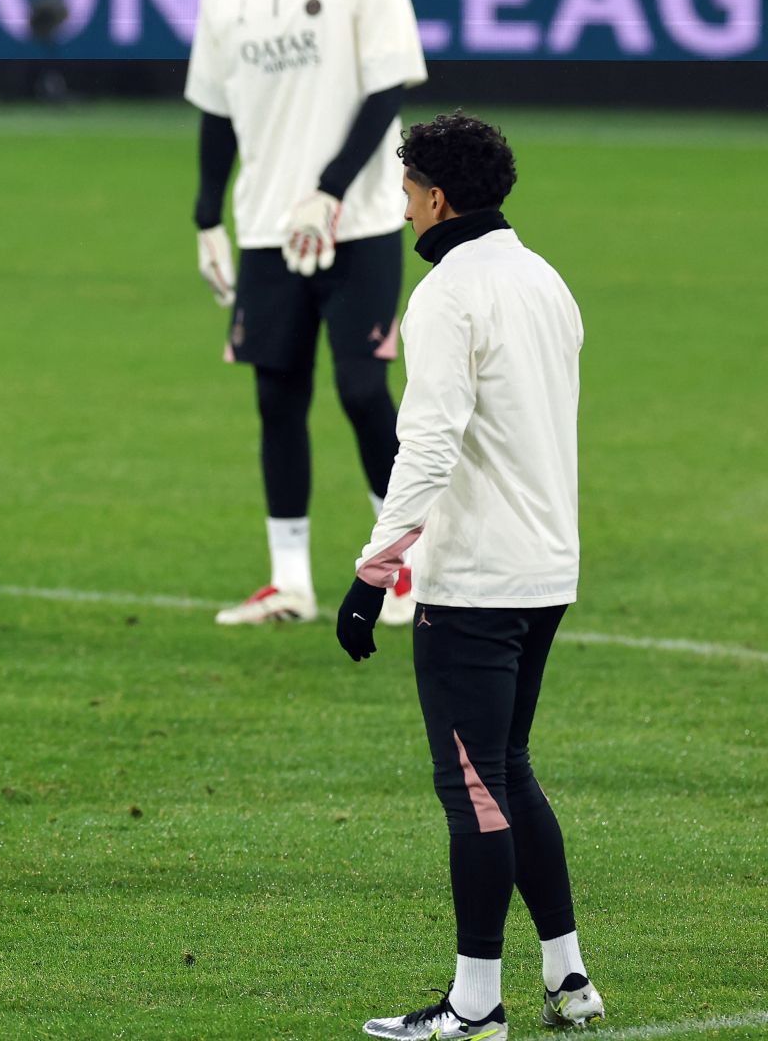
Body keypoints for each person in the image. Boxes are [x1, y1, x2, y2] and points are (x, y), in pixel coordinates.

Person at [336, 113, 602, 1039]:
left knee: (475, 791)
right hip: (547, 567)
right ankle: (568, 982)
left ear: (437, 197)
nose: (403, 211)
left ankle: (476, 1006)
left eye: (408, 192)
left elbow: (429, 443)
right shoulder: (545, 280)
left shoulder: (448, 296)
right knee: (510, 771)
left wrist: (376, 569)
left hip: (477, 581)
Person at [184, 0, 428, 625]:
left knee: (361, 389)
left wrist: (329, 189)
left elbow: (386, 93)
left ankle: (404, 569)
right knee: (276, 397)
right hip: (268, 225)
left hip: (362, 221)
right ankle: (290, 582)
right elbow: (215, 109)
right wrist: (207, 217)